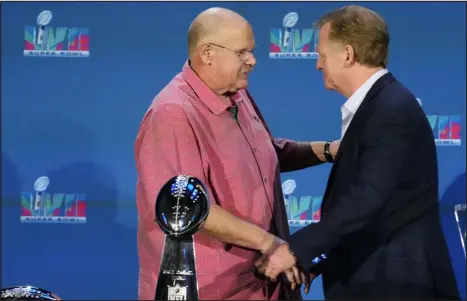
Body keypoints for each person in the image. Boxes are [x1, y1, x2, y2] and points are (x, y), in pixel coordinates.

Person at [134, 7, 339, 301]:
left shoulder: (237, 94)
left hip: (263, 281)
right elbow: (187, 209)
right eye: (242, 52)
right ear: (207, 53)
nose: (252, 61)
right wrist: (271, 244)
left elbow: (266, 152)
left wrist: (330, 150)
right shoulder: (172, 114)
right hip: (213, 290)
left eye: (251, 51)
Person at [255, 5, 461, 300]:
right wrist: (323, 259)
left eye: (322, 55)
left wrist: (295, 250)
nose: (318, 65)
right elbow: (382, 211)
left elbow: (367, 199)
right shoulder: (379, 106)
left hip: (396, 285)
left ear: (348, 54)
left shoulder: (389, 110)